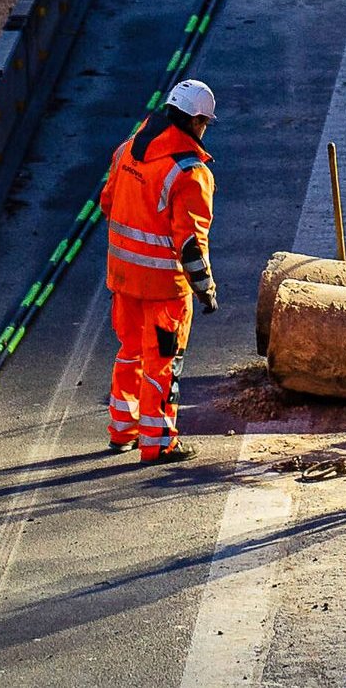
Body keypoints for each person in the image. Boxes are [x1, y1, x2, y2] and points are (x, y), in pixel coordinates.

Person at [99, 79, 220, 464]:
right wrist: (205, 289)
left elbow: (107, 202)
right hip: (165, 286)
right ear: (197, 121)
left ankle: (122, 430)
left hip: (123, 276)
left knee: (130, 351)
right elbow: (190, 245)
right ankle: (158, 441)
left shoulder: (129, 149)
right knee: (164, 361)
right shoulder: (190, 172)